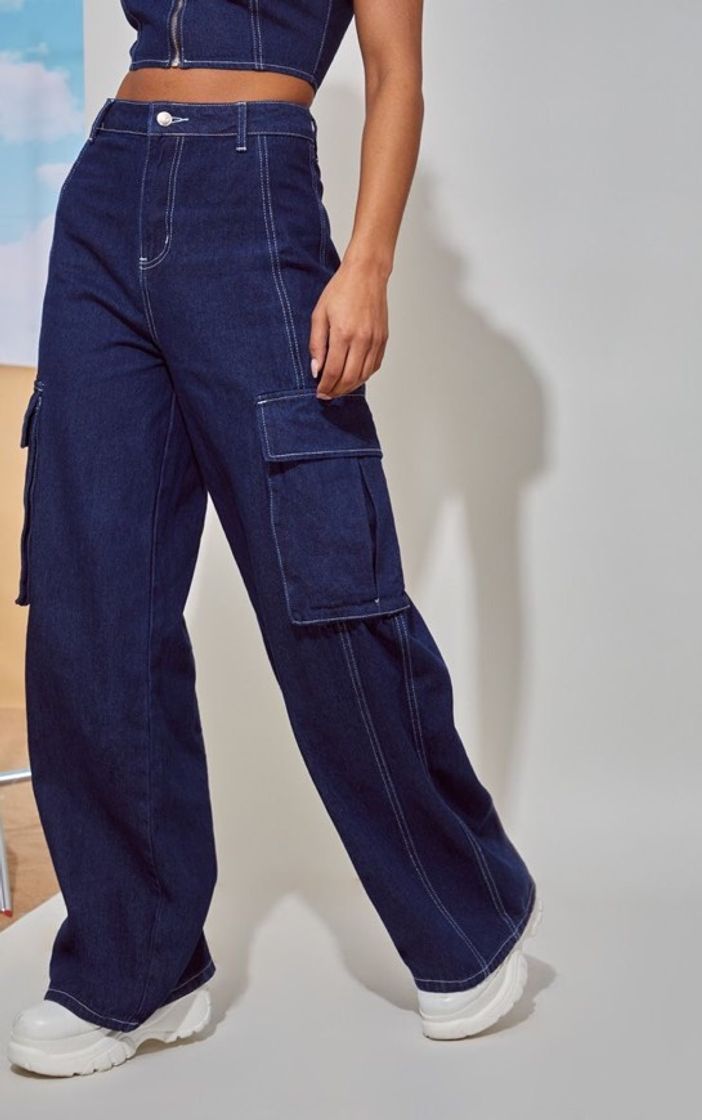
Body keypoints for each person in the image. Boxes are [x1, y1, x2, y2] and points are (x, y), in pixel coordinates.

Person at [7, 0, 541, 1078]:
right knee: (88, 595)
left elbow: (396, 74)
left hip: (254, 201)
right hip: (107, 187)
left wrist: (370, 264)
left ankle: (467, 917)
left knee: (327, 589)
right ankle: (136, 966)